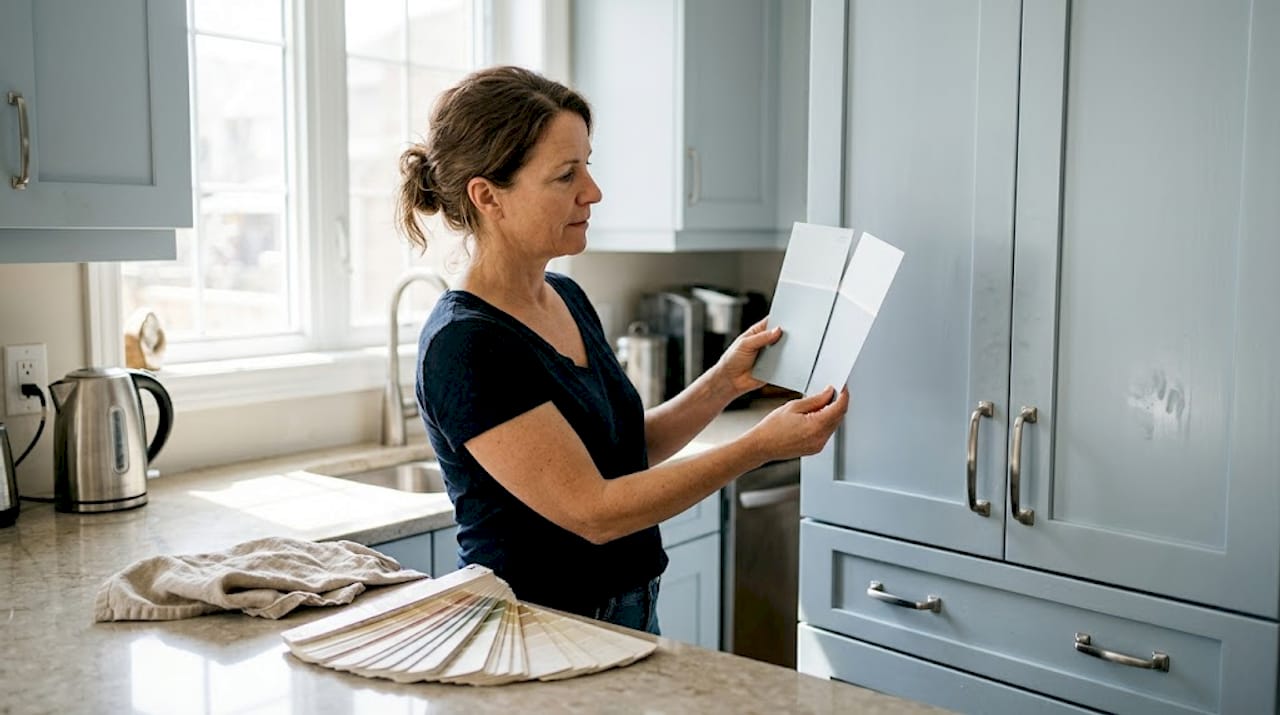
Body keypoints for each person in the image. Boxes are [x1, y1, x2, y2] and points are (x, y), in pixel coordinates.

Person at [397, 66, 848, 634]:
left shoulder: (565, 296)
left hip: (629, 609)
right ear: (488, 196)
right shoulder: (465, 344)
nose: (593, 191)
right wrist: (756, 447)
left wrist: (724, 382)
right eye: (566, 174)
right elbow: (594, 511)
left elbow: (627, 448)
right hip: (539, 630)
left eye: (587, 165)